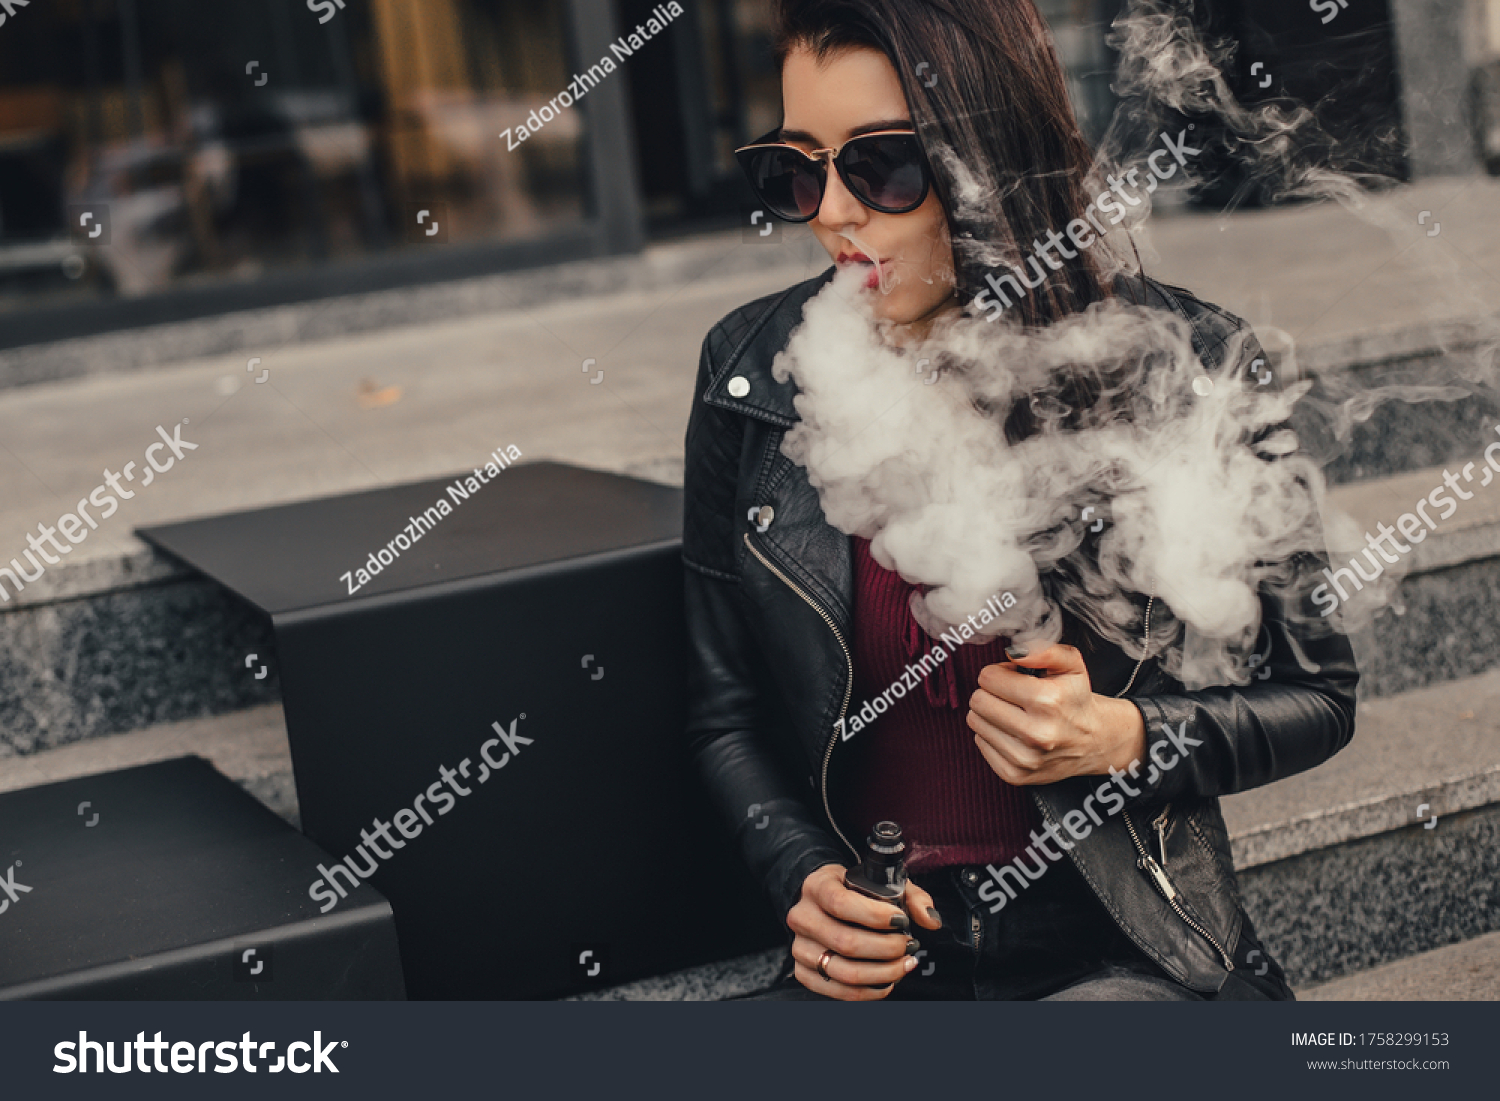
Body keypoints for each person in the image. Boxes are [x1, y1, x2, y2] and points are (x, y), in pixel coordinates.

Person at [682, 0, 1358, 1001]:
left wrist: (1124, 737)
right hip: (885, 960)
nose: (831, 213)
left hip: (1121, 953)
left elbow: (1322, 695)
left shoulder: (1191, 364)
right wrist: (809, 880)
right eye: (795, 168)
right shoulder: (752, 376)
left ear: (985, 155)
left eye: (880, 166)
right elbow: (723, 711)